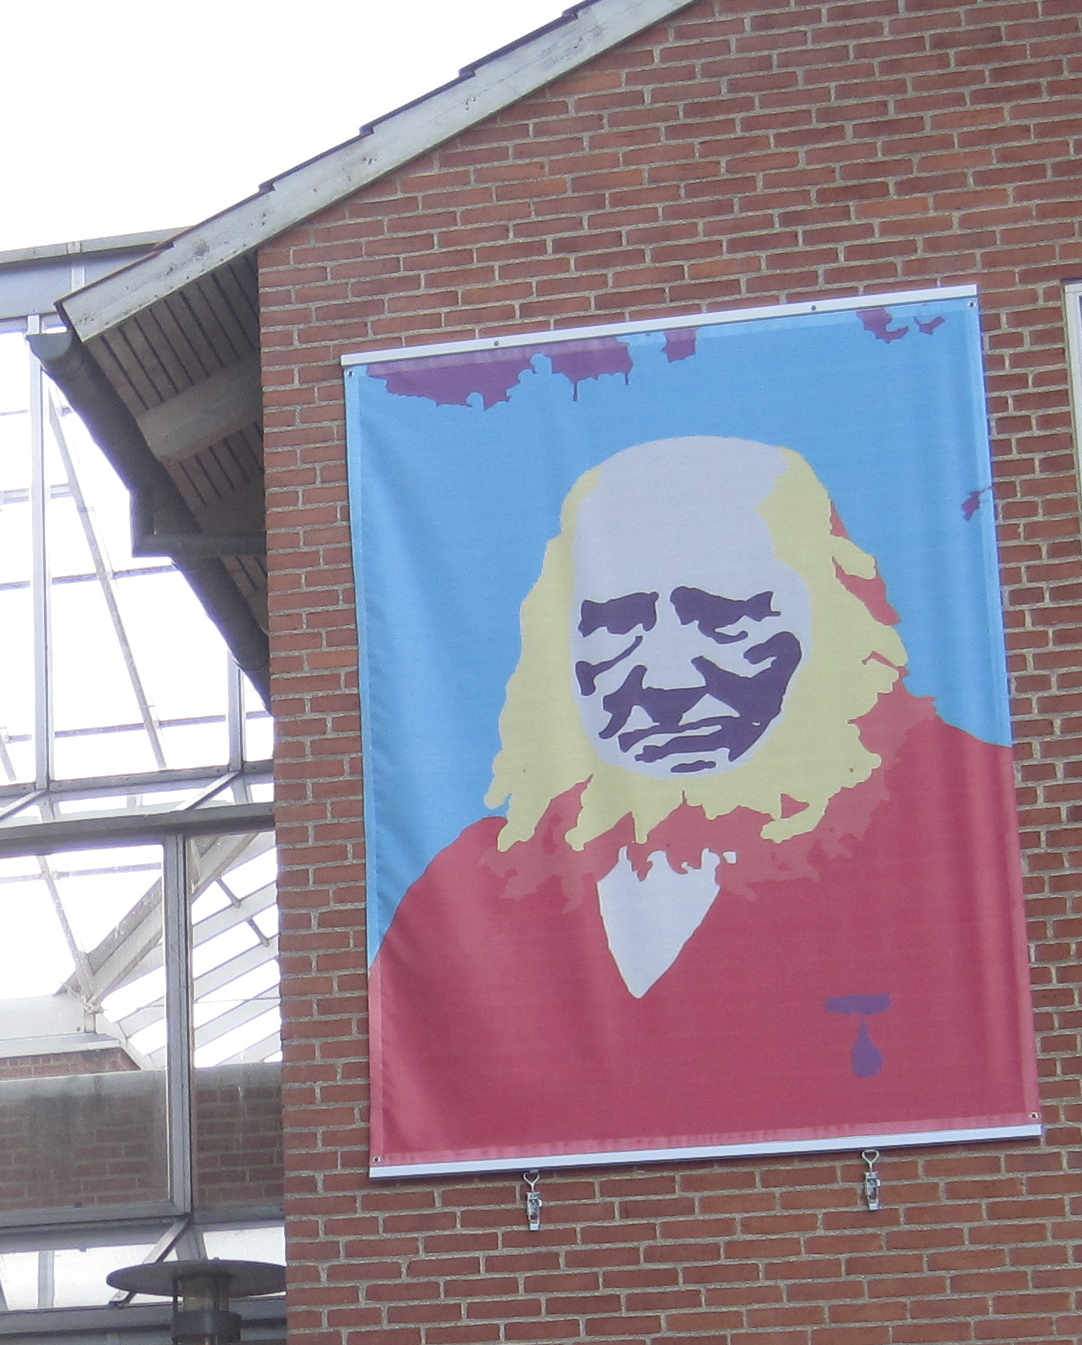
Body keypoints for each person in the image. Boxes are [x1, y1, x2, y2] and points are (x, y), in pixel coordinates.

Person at [367, 434, 1033, 1174]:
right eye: (618, 624)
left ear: (834, 615)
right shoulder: (466, 889)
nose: (668, 678)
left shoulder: (964, 825)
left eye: (727, 619)